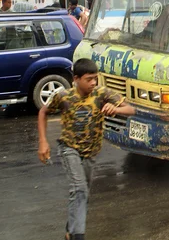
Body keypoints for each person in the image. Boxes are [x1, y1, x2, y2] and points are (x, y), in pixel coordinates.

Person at [37, 58, 135, 240]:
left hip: (91, 152)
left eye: (95, 79)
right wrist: (43, 141)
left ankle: (70, 229)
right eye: (89, 79)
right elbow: (43, 112)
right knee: (79, 189)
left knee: (83, 192)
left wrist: (116, 109)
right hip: (69, 149)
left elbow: (130, 110)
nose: (93, 83)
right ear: (76, 79)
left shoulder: (102, 93)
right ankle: (77, 236)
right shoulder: (64, 96)